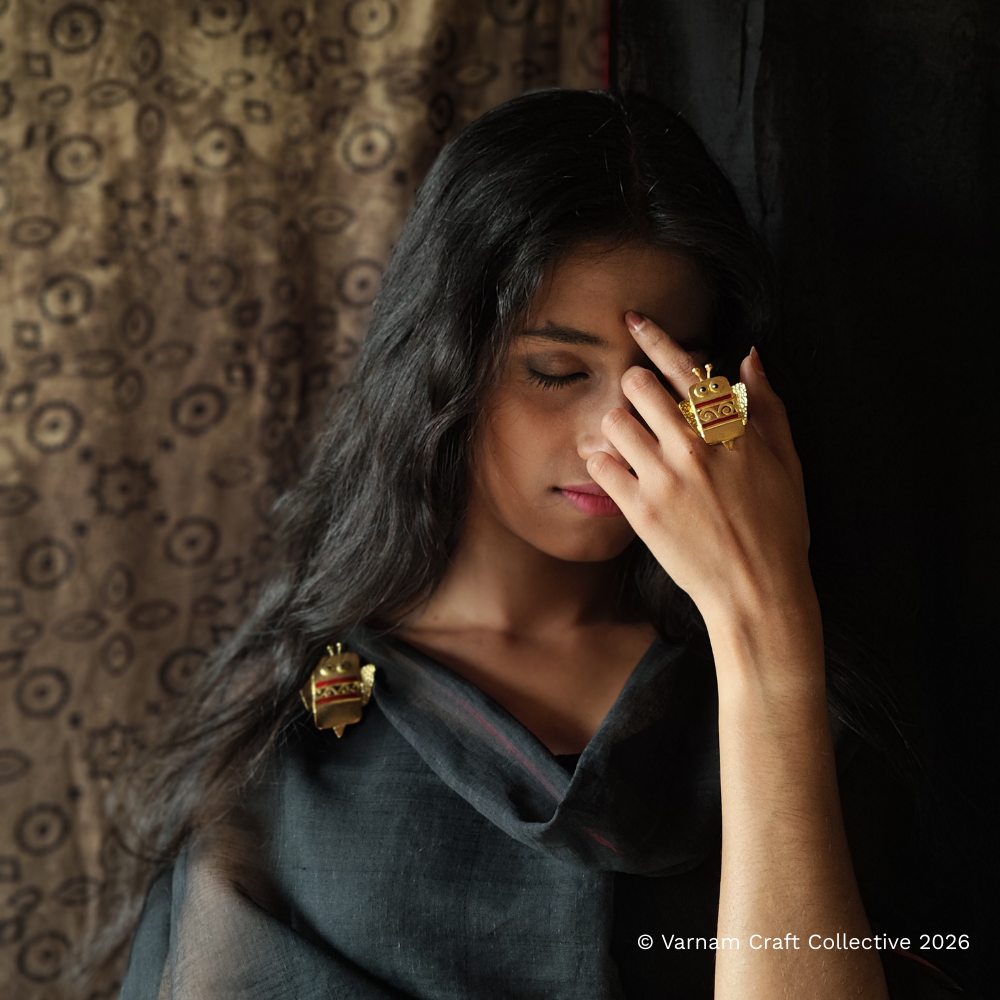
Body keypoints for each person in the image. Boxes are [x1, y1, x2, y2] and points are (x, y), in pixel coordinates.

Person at [107, 89, 966, 999]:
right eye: (557, 371)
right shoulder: (304, 722)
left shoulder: (804, 690)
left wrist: (764, 621)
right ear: (443, 365)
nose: (618, 436)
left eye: (667, 378)